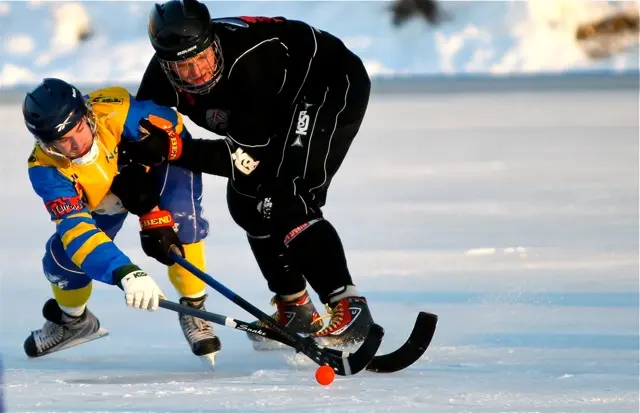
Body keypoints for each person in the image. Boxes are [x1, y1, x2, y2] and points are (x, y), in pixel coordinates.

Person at [123, 0, 375, 348]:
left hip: (325, 84)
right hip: (274, 108)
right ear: (166, 66)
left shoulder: (251, 62)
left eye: (204, 58)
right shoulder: (159, 84)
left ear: (213, 43)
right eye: (184, 67)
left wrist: (178, 149)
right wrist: (150, 214)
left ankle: (349, 305)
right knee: (244, 202)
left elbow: (246, 159)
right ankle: (295, 306)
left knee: (287, 196)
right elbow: (136, 152)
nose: (197, 72)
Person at [22, 78, 220, 365]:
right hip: (102, 197)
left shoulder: (119, 110)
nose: (78, 143)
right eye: (63, 140)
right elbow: (76, 230)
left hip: (157, 164)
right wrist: (124, 272)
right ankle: (73, 322)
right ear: (45, 143)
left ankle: (193, 305)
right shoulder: (45, 169)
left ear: (87, 114)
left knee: (180, 224)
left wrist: (148, 186)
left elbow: (173, 129)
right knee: (62, 263)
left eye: (79, 128)